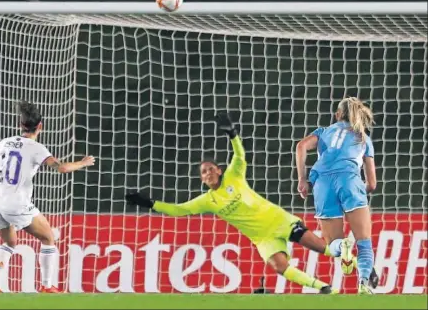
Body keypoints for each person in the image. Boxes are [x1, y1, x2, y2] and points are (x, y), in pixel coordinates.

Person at [125, 112, 346, 294]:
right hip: (262, 237)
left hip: (278, 221)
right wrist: (150, 203)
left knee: (323, 248)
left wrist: (232, 134)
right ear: (202, 179)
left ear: (219, 170)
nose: (209, 172)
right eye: (204, 172)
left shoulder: (234, 175)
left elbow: (239, 155)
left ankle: (356, 264)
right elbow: (180, 210)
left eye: (211, 168)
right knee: (280, 267)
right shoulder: (208, 201)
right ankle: (324, 288)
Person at [0, 101, 95, 293]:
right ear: (40, 127)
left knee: (10, 242)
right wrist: (83, 163)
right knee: (48, 238)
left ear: (20, 125)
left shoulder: (5, 142)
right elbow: (61, 168)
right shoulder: (37, 148)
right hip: (16, 204)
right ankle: (46, 286)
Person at [295, 97, 378, 294]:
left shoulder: (323, 132)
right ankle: (364, 284)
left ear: (337, 115)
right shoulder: (363, 138)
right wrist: (357, 192)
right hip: (350, 180)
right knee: (364, 242)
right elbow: (372, 184)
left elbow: (300, 146)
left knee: (332, 245)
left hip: (322, 183)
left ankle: (344, 246)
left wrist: (302, 179)